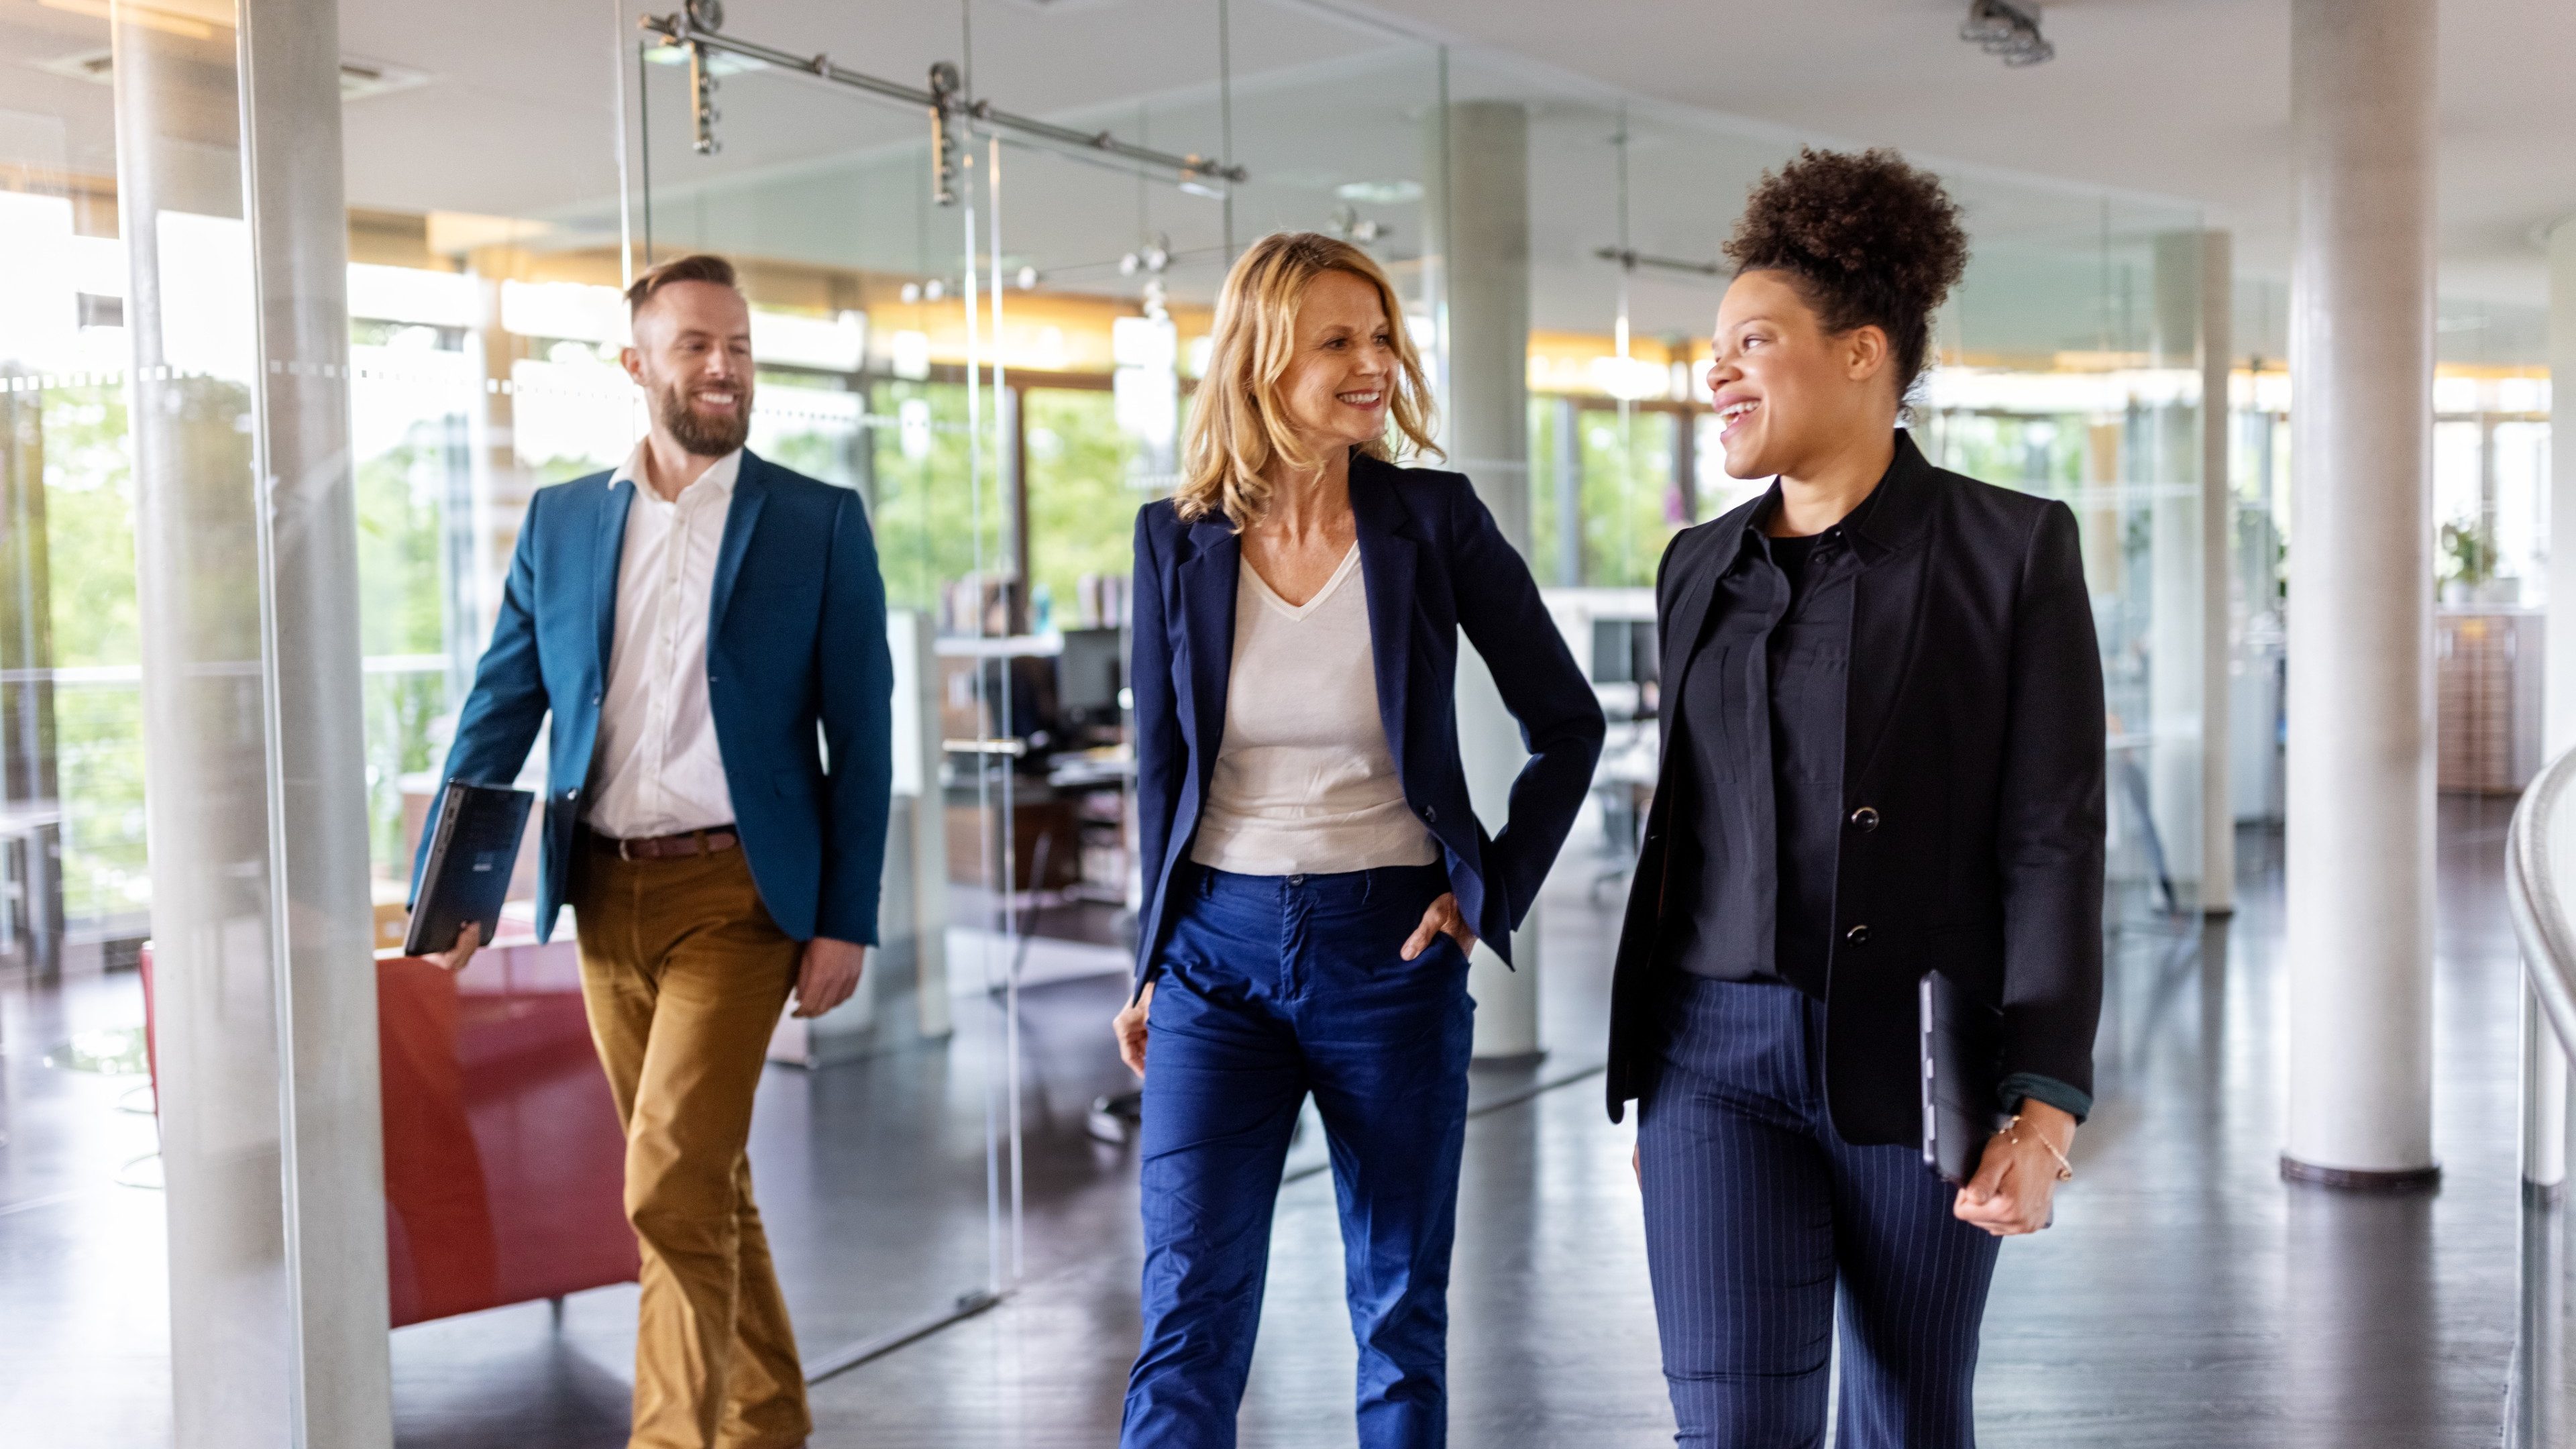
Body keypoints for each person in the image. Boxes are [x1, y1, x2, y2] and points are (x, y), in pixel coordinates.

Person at [1605, 149, 2106, 1448]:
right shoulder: (1694, 571)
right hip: (1710, 1064)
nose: (1716, 371)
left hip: (1919, 1061)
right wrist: (1657, 1075)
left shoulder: (2013, 553)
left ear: (1864, 353)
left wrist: (2044, 1109)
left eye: (1752, 342)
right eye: (1712, 347)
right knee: (1730, 1429)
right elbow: (1695, 832)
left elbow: (2053, 841)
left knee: (1906, 1418)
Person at [1113, 231, 1604, 1449]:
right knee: (1188, 1311)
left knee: (1395, 1315)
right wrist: (1148, 961)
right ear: (1262, 358)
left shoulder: (1430, 521)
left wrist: (1486, 896)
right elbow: (1160, 770)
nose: (1372, 362)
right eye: (1338, 340)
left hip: (1389, 952)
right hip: (1214, 960)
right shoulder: (1175, 538)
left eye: (1381, 336)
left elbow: (1567, 722)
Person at [418, 252, 892, 1449]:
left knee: (666, 1182)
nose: (724, 366)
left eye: (738, 345)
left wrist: (848, 916)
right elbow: (499, 708)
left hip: (745, 895)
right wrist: (451, 880)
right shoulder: (564, 521)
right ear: (638, 366)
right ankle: (771, 1419)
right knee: (704, 1186)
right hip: (603, 898)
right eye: (696, 345)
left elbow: (866, 734)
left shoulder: (818, 522)